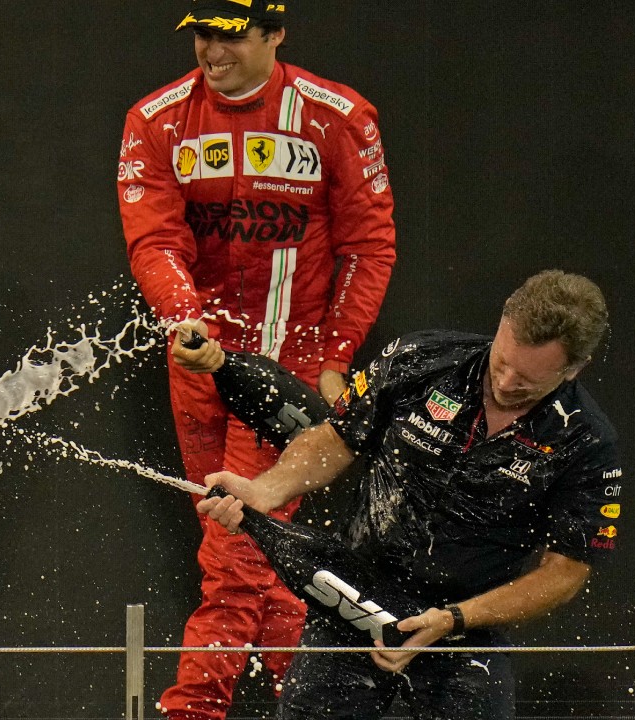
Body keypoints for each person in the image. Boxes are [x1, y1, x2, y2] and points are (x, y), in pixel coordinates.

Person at [117, 1, 396, 716]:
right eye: (203, 35)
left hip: (289, 371)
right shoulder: (156, 118)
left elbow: (368, 248)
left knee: (234, 560)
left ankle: (190, 711)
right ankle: (306, 702)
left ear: (275, 33)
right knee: (261, 556)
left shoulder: (338, 115)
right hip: (194, 363)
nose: (213, 51)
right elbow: (154, 241)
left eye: (232, 36)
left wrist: (335, 355)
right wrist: (184, 320)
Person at [199, 270, 623, 719]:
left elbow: (565, 571)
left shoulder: (587, 441)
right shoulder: (419, 358)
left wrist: (453, 619)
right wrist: (264, 489)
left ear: (574, 368)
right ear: (502, 322)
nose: (506, 382)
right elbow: (336, 438)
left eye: (527, 381)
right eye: (502, 363)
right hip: (350, 599)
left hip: (463, 632)